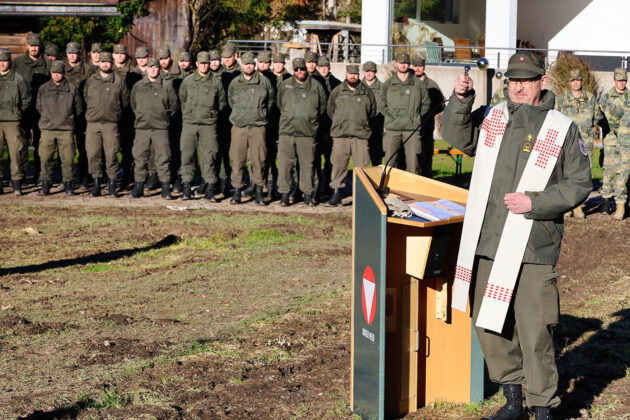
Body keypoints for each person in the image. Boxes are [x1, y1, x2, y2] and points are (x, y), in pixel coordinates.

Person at [442, 52, 591, 420]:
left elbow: (580, 182)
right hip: (489, 240)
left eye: (526, 79)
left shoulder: (561, 128)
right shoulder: (494, 117)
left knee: (535, 329)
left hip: (532, 244)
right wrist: (461, 101)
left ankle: (542, 406)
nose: (518, 86)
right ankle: (512, 399)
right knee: (489, 323)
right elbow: (457, 136)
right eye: (512, 80)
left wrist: (536, 201)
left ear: (542, 81)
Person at [276, 57, 326, 206]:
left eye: (302, 69)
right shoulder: (285, 85)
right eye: (296, 69)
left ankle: (308, 194)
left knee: (307, 165)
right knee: (285, 165)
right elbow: (279, 103)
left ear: (306, 69)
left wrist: (310, 121)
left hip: (307, 133)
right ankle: (285, 194)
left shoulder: (316, 86)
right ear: (293, 70)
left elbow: (322, 108)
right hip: (287, 131)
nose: (299, 71)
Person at [554, 69, 604, 218]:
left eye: (578, 80)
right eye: (573, 80)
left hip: (585, 143)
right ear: (569, 82)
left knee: (582, 176)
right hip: (566, 142)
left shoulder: (590, 98)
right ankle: (566, 207)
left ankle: (578, 206)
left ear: (582, 81)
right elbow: (556, 118)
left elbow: (597, 118)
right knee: (564, 174)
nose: (575, 83)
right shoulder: (562, 99)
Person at [227, 52, 274, 205]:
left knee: (258, 159)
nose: (248, 66)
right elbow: (230, 101)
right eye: (245, 64)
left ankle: (259, 191)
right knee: (237, 159)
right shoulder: (235, 83)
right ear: (241, 65)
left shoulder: (264, 81)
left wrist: (259, 114)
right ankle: (237, 191)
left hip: (258, 127)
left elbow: (270, 101)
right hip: (239, 127)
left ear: (254, 65)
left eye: (251, 64)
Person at [325, 64, 376, 206]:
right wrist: (340, 123)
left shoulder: (367, 92)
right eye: (350, 73)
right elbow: (331, 110)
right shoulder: (337, 91)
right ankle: (336, 195)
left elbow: (372, 111)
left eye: (355, 74)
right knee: (338, 166)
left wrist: (362, 123)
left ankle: (362, 197)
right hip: (341, 135)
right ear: (346, 74)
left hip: (360, 136)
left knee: (362, 167)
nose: (352, 76)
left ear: (358, 75)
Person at [178, 51, 227, 201]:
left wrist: (211, 115)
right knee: (187, 154)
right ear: (197, 64)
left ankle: (210, 186)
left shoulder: (216, 82)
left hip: (208, 124)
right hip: (190, 123)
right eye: (202, 63)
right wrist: (189, 113)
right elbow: (183, 99)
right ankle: (186, 186)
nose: (204, 66)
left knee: (209, 155)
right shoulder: (188, 81)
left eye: (207, 63)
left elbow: (222, 102)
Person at [129, 57, 179, 199]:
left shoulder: (167, 86)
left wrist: (164, 118)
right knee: (139, 157)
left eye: (156, 67)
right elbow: (133, 104)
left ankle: (165, 188)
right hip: (142, 128)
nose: (153, 69)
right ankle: (138, 186)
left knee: (163, 158)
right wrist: (140, 116)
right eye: (150, 67)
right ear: (146, 69)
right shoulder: (138, 86)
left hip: (160, 128)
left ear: (159, 69)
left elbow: (174, 106)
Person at [84, 51, 129, 197]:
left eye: (108, 62)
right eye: (102, 62)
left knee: (112, 155)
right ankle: (96, 185)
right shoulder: (91, 81)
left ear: (112, 63)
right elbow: (86, 99)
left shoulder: (119, 81)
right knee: (93, 154)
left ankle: (111, 186)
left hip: (111, 123)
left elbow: (125, 102)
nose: (105, 64)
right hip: (93, 123)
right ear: (99, 63)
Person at [36, 60, 83, 196]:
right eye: (54, 72)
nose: (56, 75)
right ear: (51, 73)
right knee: (45, 158)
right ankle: (46, 184)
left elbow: (78, 108)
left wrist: (68, 118)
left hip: (66, 129)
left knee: (68, 159)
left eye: (59, 72)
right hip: (47, 129)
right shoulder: (43, 89)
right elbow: (39, 107)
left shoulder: (72, 88)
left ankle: (68, 184)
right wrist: (47, 118)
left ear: (64, 73)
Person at [381, 52, 430, 175]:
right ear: (396, 64)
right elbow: (382, 104)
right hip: (393, 128)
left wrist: (415, 117)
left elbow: (426, 103)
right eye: (401, 63)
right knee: (389, 162)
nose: (403, 65)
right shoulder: (388, 84)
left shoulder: (418, 84)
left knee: (413, 164)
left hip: (412, 129)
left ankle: (411, 192)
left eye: (406, 63)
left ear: (409, 65)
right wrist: (391, 117)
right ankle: (384, 189)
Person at [13, 33, 50, 185]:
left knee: (40, 144)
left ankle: (40, 174)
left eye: (36, 45)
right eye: (31, 45)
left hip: (41, 110)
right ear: (26, 45)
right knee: (20, 143)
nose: (34, 48)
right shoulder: (18, 62)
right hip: (22, 109)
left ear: (40, 46)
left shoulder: (47, 63)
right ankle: (20, 175)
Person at [598, 68, 629, 219]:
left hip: (626, 140)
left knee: (624, 171)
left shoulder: (629, 97)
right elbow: (599, 117)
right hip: (610, 138)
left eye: (624, 80)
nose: (621, 83)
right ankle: (605, 202)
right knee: (608, 170)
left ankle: (622, 203)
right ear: (614, 80)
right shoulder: (606, 97)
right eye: (619, 80)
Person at [0, 49, 31, 195]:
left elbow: (26, 100)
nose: (2, 64)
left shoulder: (18, 79)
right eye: (0, 61)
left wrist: (16, 112)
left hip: (12, 121)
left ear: (10, 62)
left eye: (5, 61)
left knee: (16, 152)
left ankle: (17, 182)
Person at [64, 41, 94, 189]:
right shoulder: (61, 69)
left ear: (79, 53)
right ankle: (66, 177)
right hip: (66, 114)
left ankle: (84, 176)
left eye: (74, 52)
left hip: (84, 113)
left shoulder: (89, 69)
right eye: (69, 53)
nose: (72, 55)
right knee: (65, 147)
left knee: (84, 147)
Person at [411, 56, 444, 178]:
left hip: (426, 128)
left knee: (426, 159)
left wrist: (428, 112)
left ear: (424, 67)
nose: (417, 68)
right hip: (409, 128)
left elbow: (441, 105)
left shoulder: (432, 85)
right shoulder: (408, 83)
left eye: (420, 66)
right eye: (415, 66)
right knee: (410, 159)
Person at [362, 61, 384, 166]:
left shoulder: (383, 88)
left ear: (375, 72)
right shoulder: (357, 88)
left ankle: (377, 181)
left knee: (376, 160)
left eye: (371, 71)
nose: (369, 74)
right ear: (363, 72)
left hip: (377, 130)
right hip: (361, 130)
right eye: (367, 71)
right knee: (362, 161)